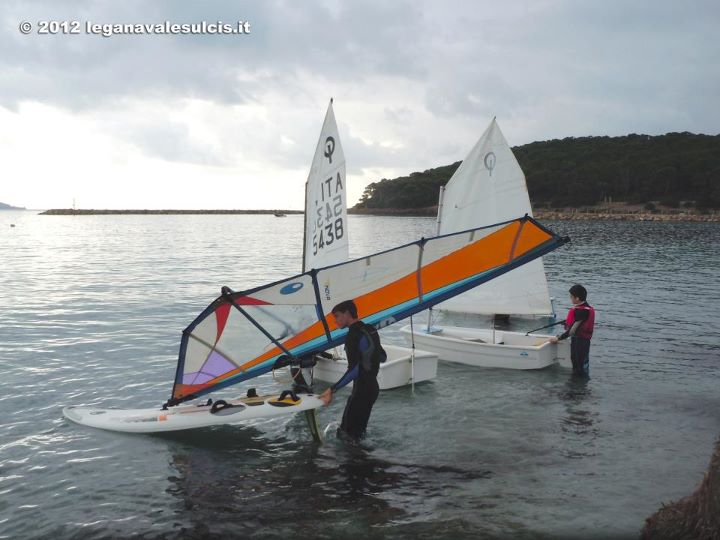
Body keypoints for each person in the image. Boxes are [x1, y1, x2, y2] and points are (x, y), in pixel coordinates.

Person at [318, 300, 386, 441]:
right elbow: (382, 356)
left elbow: (355, 369)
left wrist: (332, 389)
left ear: (347, 313)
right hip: (373, 388)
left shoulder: (352, 336)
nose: (335, 321)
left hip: (361, 390)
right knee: (359, 432)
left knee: (347, 435)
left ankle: (355, 462)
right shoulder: (370, 329)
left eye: (337, 316)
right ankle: (363, 459)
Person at [549, 284, 595, 377]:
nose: (570, 299)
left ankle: (576, 389)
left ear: (577, 298)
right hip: (582, 342)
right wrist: (567, 323)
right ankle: (579, 387)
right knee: (582, 365)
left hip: (580, 343)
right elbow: (577, 324)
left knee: (578, 367)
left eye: (571, 297)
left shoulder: (582, 311)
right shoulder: (586, 308)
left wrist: (558, 338)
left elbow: (572, 331)